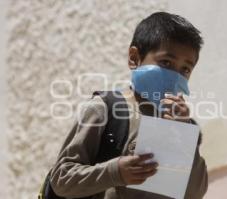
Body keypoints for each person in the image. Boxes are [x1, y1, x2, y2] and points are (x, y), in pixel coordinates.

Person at [50, 11, 208, 199]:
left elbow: (195, 192)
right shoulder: (105, 109)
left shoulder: (183, 124)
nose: (175, 75)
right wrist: (115, 172)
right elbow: (61, 180)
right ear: (134, 58)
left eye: (185, 69)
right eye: (166, 62)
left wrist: (183, 134)